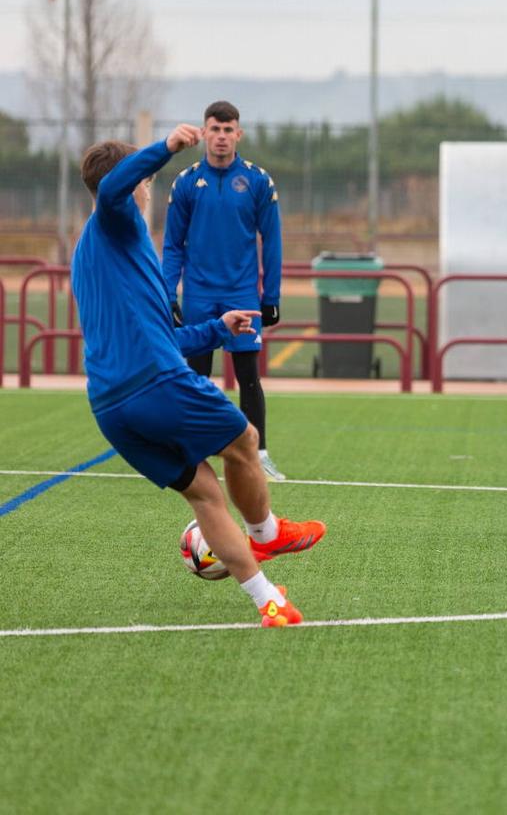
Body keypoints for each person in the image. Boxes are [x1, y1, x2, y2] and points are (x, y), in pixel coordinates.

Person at [72, 126, 326, 626]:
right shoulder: (116, 219)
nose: (151, 189)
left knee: (205, 493)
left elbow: (162, 338)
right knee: (245, 439)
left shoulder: (97, 254)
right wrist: (165, 148)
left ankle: (268, 601)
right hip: (155, 384)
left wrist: (215, 328)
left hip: (111, 409)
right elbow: (111, 188)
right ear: (136, 183)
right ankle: (267, 531)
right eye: (147, 181)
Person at [163, 100, 286, 480]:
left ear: (238, 134)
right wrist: (169, 294)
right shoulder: (185, 182)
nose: (221, 137)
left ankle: (259, 455)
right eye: (214, 129)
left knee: (248, 377)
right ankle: (192, 454)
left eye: (228, 129)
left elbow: (273, 239)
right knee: (196, 377)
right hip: (199, 295)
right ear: (203, 132)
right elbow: (172, 245)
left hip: (242, 295)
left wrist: (272, 297)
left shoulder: (257, 181)